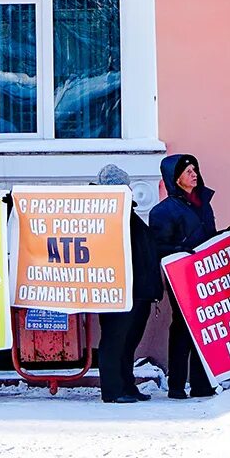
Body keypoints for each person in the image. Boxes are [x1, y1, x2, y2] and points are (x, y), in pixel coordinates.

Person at [148, 153, 218, 399]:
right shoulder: (162, 211)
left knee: (206, 326)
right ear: (175, 178)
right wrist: (181, 251)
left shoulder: (204, 204)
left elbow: (209, 236)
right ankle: (177, 384)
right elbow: (158, 246)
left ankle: (202, 383)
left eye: (195, 169)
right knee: (183, 328)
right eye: (188, 171)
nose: (194, 174)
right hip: (183, 276)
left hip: (206, 274)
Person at [92, 165, 160, 404]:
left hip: (138, 288)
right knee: (114, 339)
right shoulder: (107, 216)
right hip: (118, 288)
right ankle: (112, 390)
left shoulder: (126, 214)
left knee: (128, 342)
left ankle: (127, 385)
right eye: (125, 186)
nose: (130, 190)